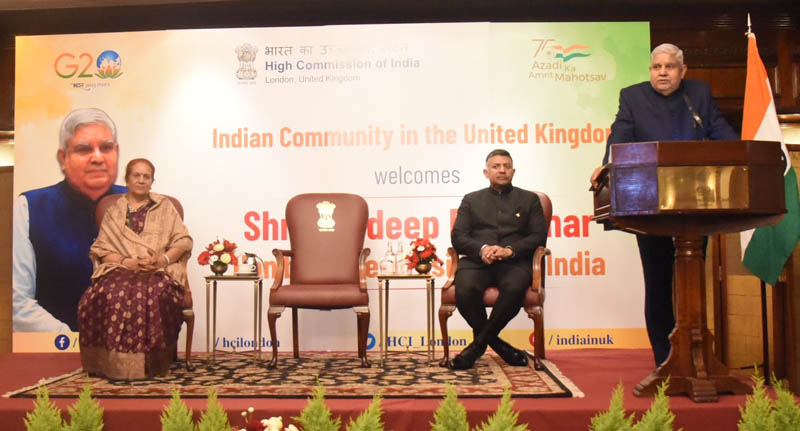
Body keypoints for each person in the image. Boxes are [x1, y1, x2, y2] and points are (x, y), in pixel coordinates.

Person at [590, 43, 737, 367]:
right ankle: (665, 359)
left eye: (670, 67)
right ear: (650, 70)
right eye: (657, 67)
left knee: (692, 282)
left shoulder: (698, 94)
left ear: (682, 71)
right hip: (650, 205)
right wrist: (607, 164)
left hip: (696, 206)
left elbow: (722, 132)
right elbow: (620, 136)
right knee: (657, 283)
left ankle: (696, 355)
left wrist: (742, 153)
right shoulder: (633, 96)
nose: (662, 72)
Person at [13, 108, 127, 332]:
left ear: (117, 152)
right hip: (55, 352)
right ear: (63, 158)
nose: (97, 157)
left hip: (129, 352)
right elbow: (18, 302)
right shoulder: (30, 206)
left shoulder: (140, 204)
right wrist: (72, 341)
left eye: (106, 147)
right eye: (83, 149)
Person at [78, 158, 192, 379]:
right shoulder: (115, 211)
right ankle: (110, 364)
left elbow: (184, 240)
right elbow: (101, 247)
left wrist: (163, 260)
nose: (141, 180)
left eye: (146, 176)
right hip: (120, 267)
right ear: (127, 179)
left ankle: (152, 363)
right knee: (109, 292)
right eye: (136, 175)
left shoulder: (165, 207)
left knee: (151, 291)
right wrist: (125, 262)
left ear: (152, 181)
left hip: (158, 270)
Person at [449, 149, 548, 370]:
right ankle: (500, 346)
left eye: (506, 166)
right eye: (496, 166)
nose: (502, 170)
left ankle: (476, 348)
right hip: (477, 261)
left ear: (513, 171)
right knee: (464, 289)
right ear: (486, 172)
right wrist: (482, 249)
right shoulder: (471, 199)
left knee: (514, 289)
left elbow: (538, 237)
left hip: (514, 261)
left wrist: (509, 250)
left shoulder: (529, 200)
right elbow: (458, 236)